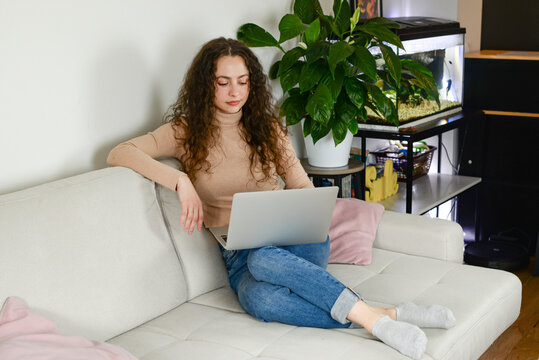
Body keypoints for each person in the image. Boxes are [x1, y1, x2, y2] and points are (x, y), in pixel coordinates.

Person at [107, 37, 455, 359]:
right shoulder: (184, 131)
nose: (235, 91)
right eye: (223, 81)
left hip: (299, 243)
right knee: (259, 299)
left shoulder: (267, 128)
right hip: (238, 257)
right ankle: (390, 314)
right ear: (205, 84)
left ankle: (373, 322)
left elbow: (302, 189)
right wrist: (180, 180)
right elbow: (120, 152)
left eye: (243, 81)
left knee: (264, 260)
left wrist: (309, 215)